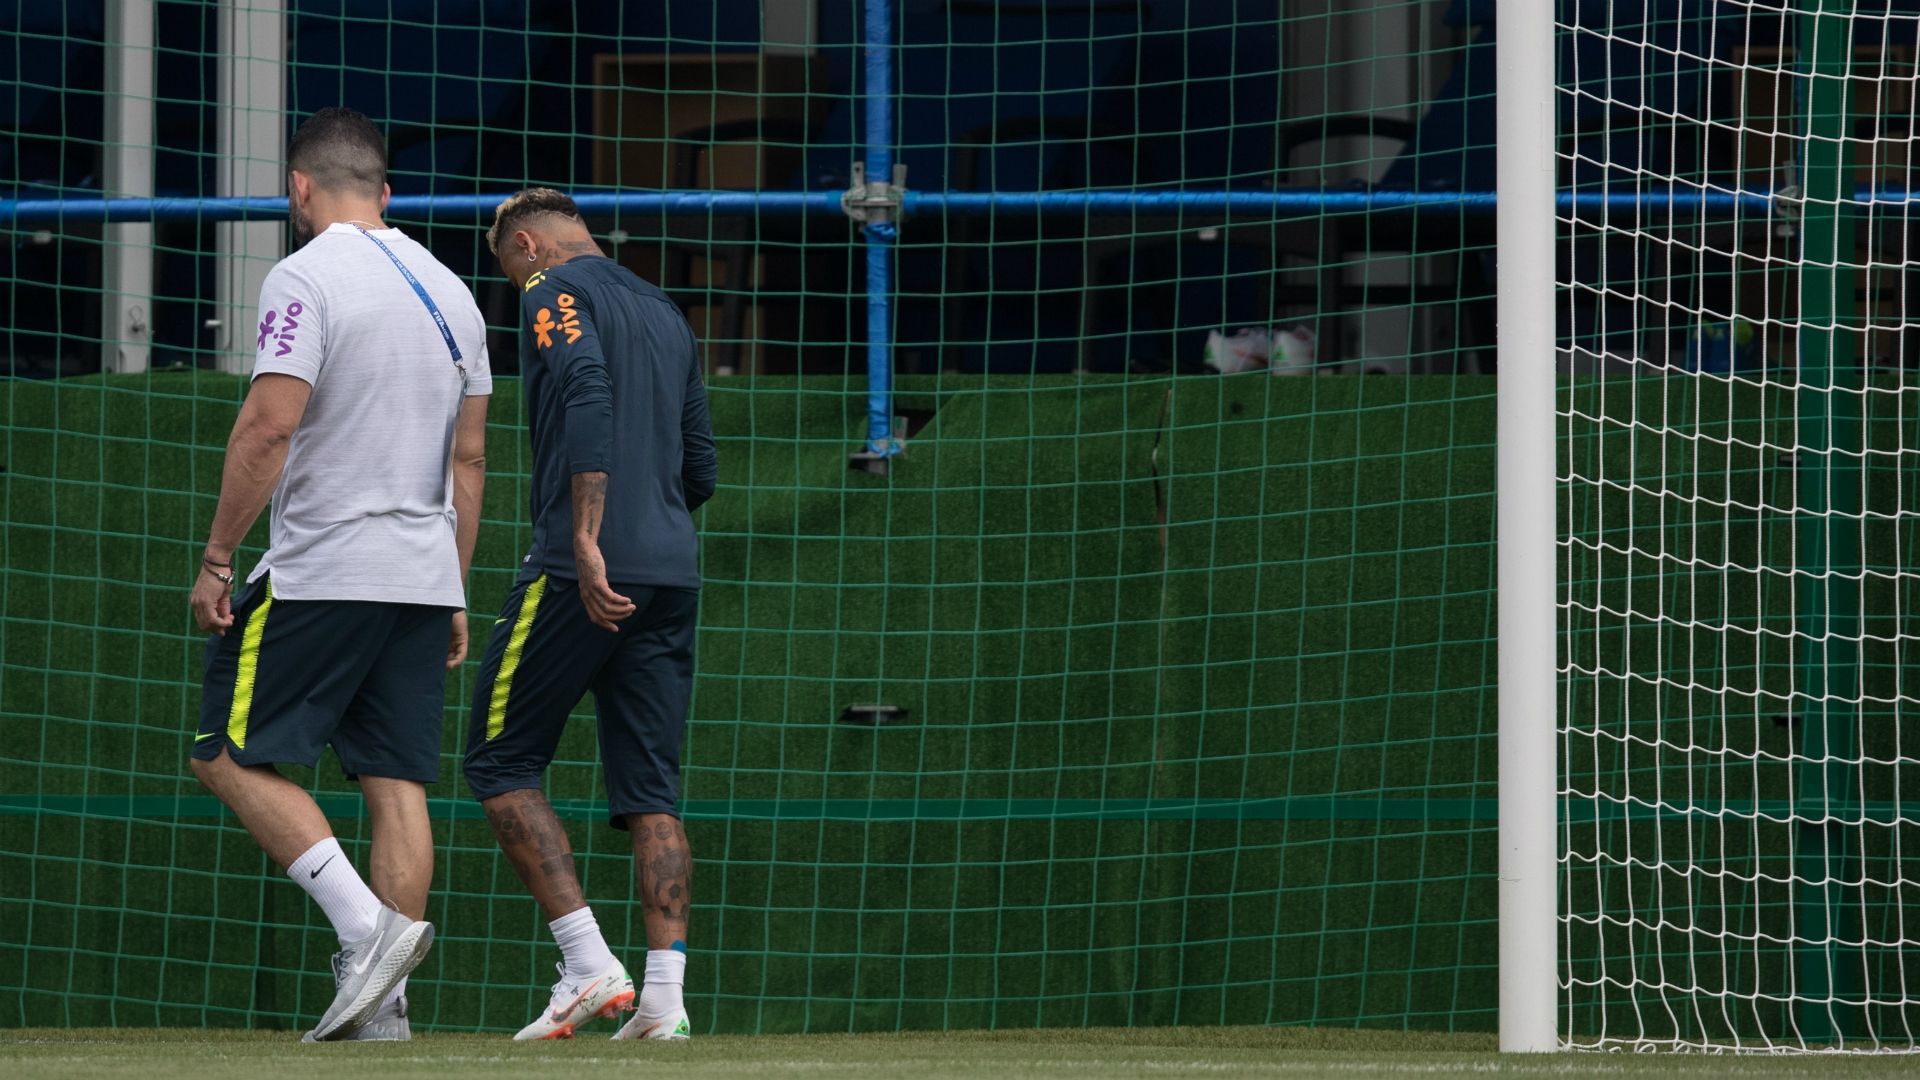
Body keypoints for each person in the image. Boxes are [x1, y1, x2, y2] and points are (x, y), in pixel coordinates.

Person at [187, 106, 492, 1042]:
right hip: (421, 574)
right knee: (395, 782)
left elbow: (269, 426)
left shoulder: (304, 274)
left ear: (299, 188)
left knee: (222, 752)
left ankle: (366, 934)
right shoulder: (456, 291)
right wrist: (452, 584)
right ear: (386, 191)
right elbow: (470, 459)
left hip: (326, 565)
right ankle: (384, 1012)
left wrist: (217, 558)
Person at [463, 187, 715, 1041]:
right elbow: (701, 463)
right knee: (653, 794)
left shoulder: (549, 289)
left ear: (527, 247)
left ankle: (586, 962)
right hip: (670, 572)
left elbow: (585, 388)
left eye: (508, 270)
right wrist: (652, 529)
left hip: (582, 569)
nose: (515, 287)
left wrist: (590, 533)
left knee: (498, 759)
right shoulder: (665, 309)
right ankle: (665, 1002)